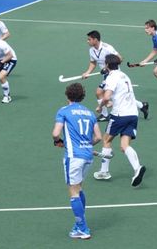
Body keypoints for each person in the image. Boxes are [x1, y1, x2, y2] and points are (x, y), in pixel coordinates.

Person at [52, 82, 102, 240]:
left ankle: (82, 228)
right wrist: (87, 145)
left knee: (73, 191)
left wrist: (59, 142)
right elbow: (98, 137)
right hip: (87, 156)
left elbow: (55, 133)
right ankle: (80, 224)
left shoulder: (64, 111)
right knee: (78, 188)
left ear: (67, 95)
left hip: (73, 157)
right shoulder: (89, 113)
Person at [93, 54, 146, 187]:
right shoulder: (124, 75)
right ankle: (137, 168)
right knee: (124, 146)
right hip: (132, 114)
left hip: (119, 115)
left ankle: (104, 171)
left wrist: (100, 106)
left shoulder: (111, 77)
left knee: (106, 140)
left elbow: (106, 96)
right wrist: (110, 102)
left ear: (106, 65)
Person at [81, 30, 149, 121]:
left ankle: (104, 114)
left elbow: (120, 59)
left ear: (95, 40)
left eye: (89, 39)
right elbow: (93, 63)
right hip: (106, 75)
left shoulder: (107, 48)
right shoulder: (91, 50)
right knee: (112, 95)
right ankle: (142, 105)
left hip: (114, 74)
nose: (87, 41)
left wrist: (106, 67)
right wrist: (88, 72)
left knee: (100, 92)